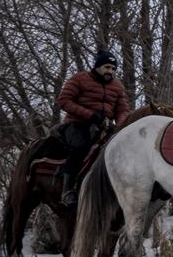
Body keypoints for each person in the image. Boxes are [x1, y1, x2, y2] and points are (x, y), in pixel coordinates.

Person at [55, 49, 130, 207]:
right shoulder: (80, 79)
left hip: (104, 127)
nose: (111, 71)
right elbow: (64, 100)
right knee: (80, 146)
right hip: (76, 123)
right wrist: (90, 115)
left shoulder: (117, 87)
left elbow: (123, 110)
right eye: (107, 67)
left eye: (113, 69)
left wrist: (120, 126)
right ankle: (67, 190)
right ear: (97, 66)